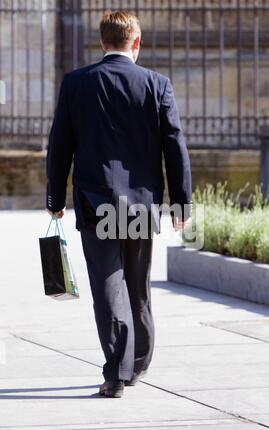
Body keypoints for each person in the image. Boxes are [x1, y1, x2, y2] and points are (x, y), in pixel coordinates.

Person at [46, 10, 192, 398]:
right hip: (141, 206)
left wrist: (54, 198)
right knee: (138, 288)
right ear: (137, 43)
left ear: (102, 42)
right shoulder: (157, 84)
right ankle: (137, 364)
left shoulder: (77, 83)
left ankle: (116, 373)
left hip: (97, 204)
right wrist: (180, 203)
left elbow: (60, 145)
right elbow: (174, 146)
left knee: (109, 289)